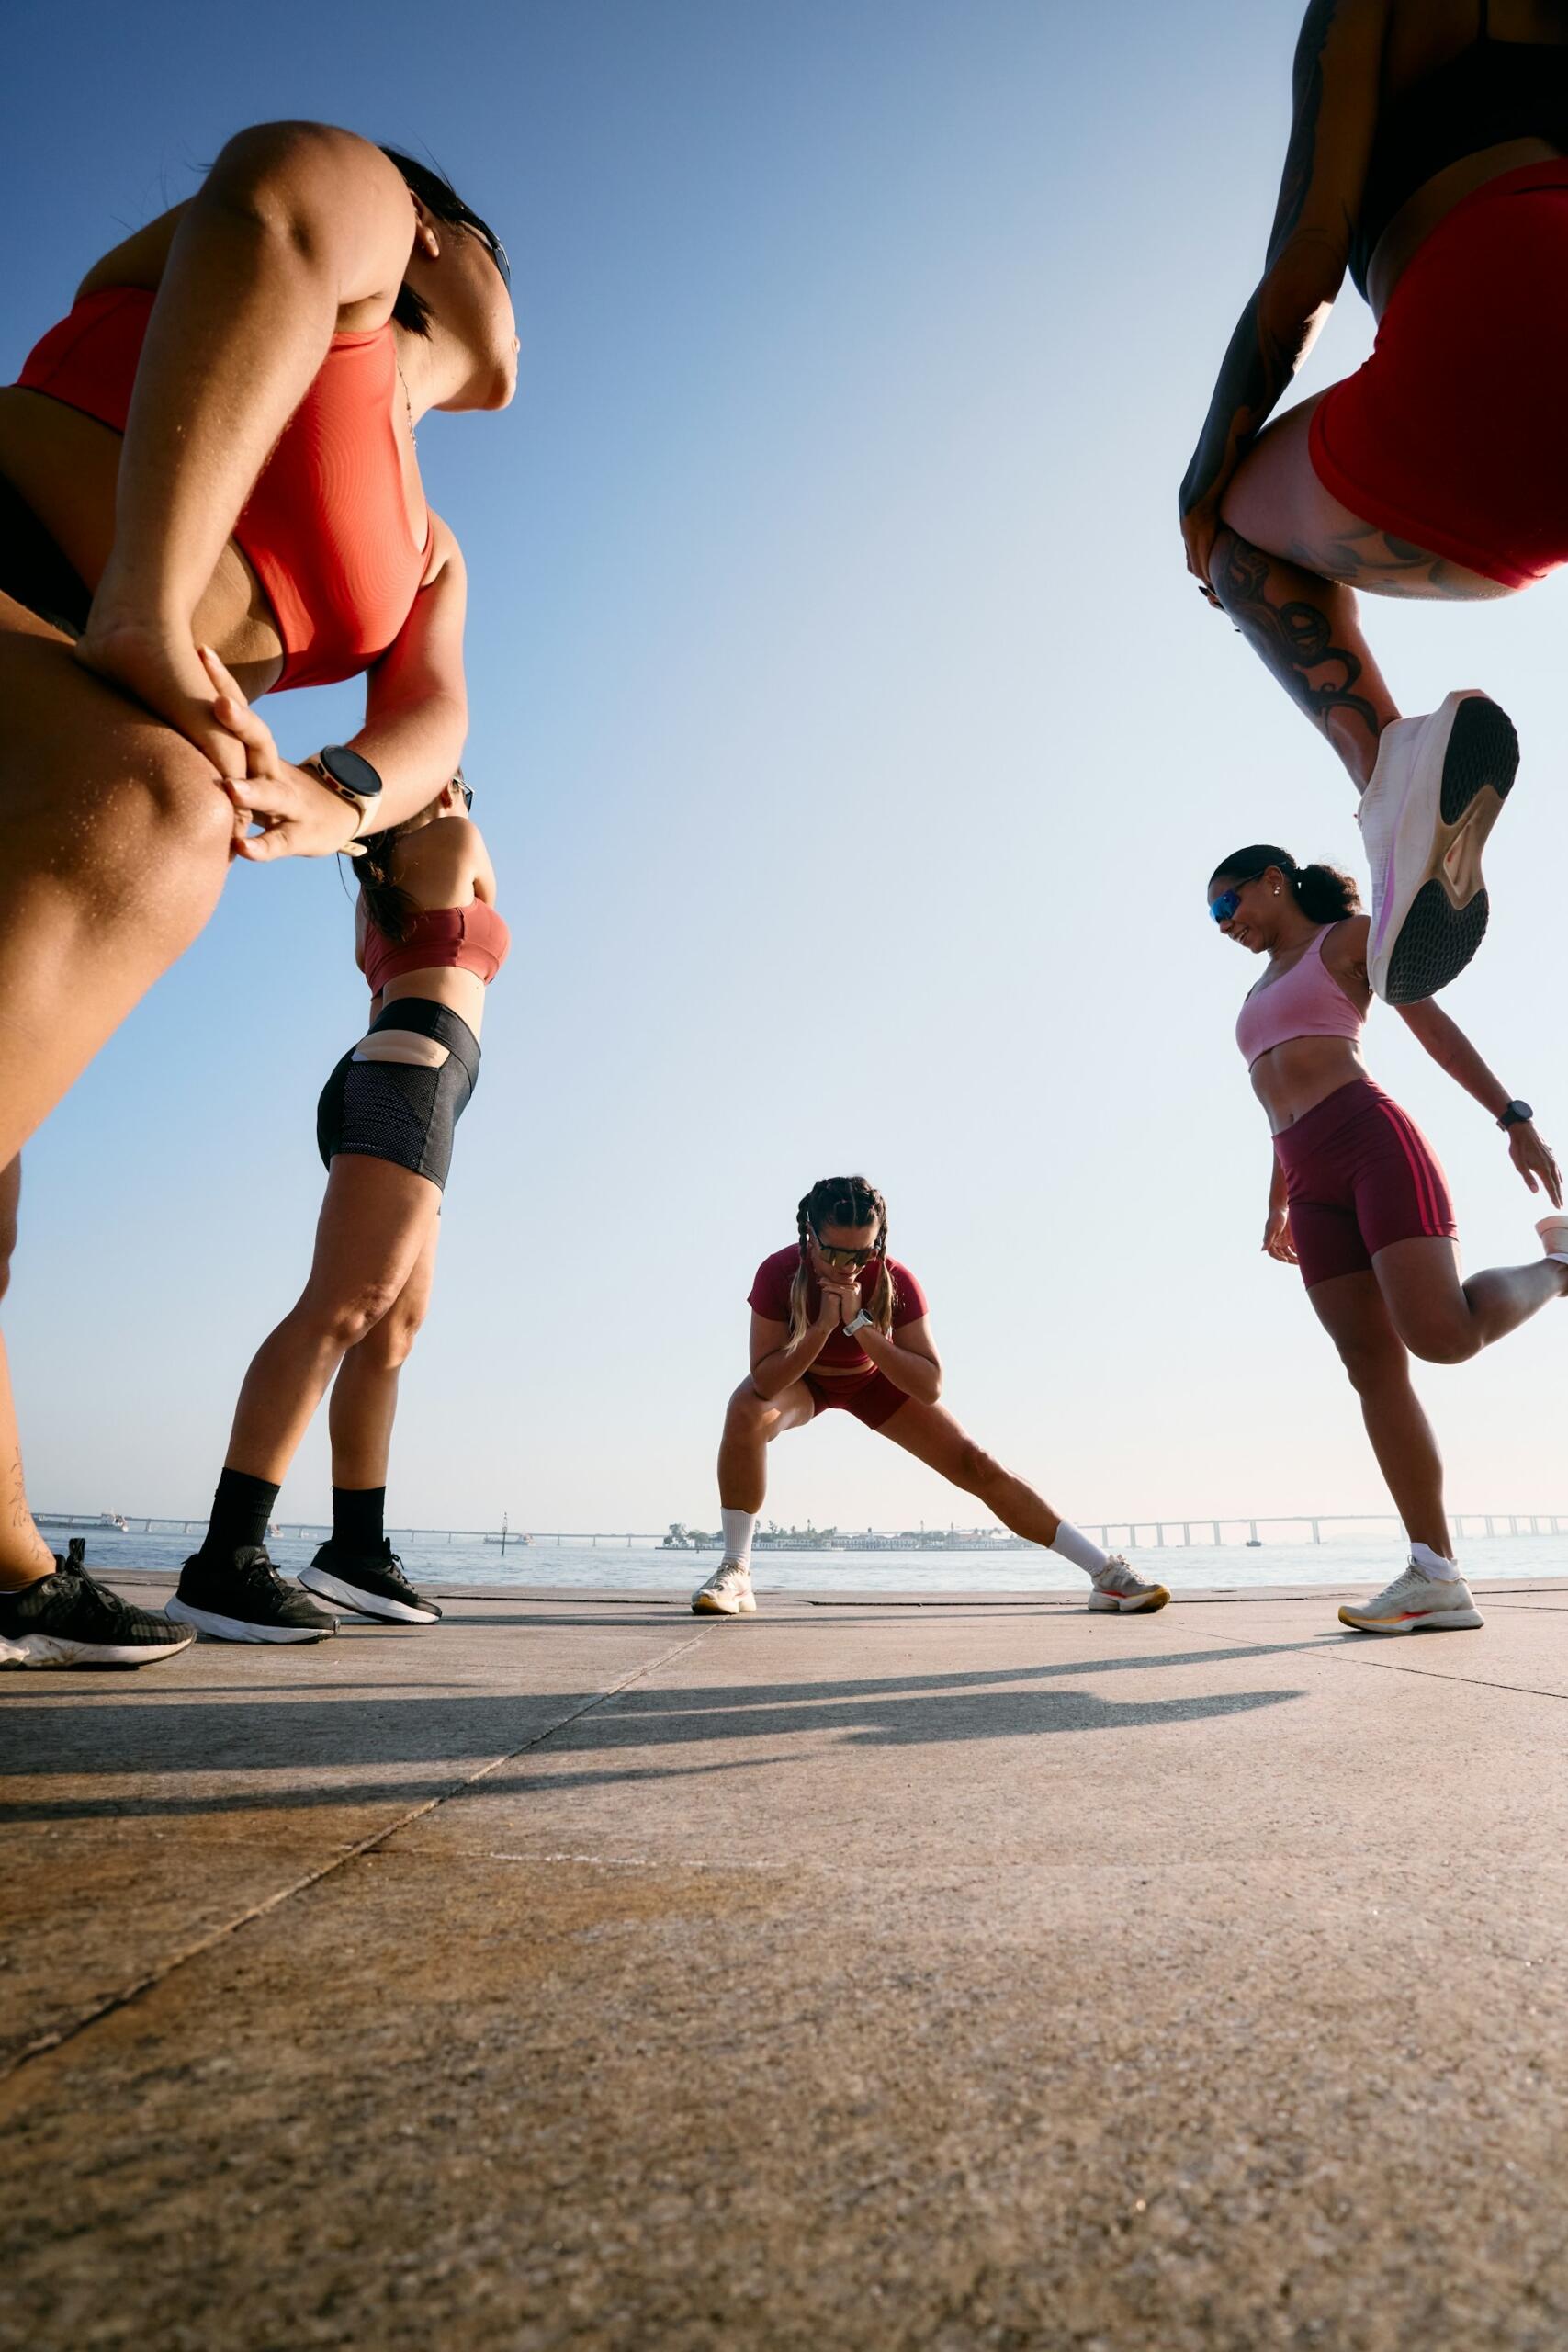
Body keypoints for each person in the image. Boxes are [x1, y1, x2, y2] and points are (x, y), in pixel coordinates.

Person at [0, 126, 516, 1665]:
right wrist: (152, 603)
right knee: (156, 810)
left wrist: (338, 789)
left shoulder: (430, 543)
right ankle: (242, 1547)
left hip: (80, 688)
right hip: (47, 602)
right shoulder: (371, 237)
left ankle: (13, 1561)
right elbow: (281, 194)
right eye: (505, 267)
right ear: (447, 243)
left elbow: (435, 719)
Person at [1179, 0, 1568, 1005]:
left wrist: (1201, 479)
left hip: (1500, 305)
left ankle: (1393, 770)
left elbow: (1307, 263)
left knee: (1241, 543)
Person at [165, 762, 508, 1642]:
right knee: (341, 1307)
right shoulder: (454, 839)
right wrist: (446, 796)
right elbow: (489, 896)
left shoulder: (379, 885)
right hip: (415, 1072)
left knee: (391, 1327)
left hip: (402, 1071)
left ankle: (355, 1551)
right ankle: (225, 1561)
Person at [1208, 842, 1567, 1634]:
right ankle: (1434, 1573)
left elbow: (1431, 1027)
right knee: (1369, 1365)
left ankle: (1559, 1264)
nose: (1221, 924)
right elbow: (1274, 1105)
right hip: (1306, 1179)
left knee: (1441, 1337)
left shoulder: (1348, 940)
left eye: (1225, 905)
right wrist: (1276, 1202)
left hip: (1369, 1142)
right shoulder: (1256, 987)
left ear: (1273, 882)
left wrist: (1512, 1117)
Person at [693, 1175, 1169, 1618]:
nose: (849, 1266)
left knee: (976, 1462)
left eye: (861, 1254)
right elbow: (766, 1382)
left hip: (874, 1378)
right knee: (745, 1411)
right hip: (803, 1380)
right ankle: (736, 1572)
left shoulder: (895, 1280)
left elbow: (929, 1383)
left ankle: (1106, 1574)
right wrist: (821, 1328)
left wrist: (858, 1325)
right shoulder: (778, 1273)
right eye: (835, 1254)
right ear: (810, 1237)